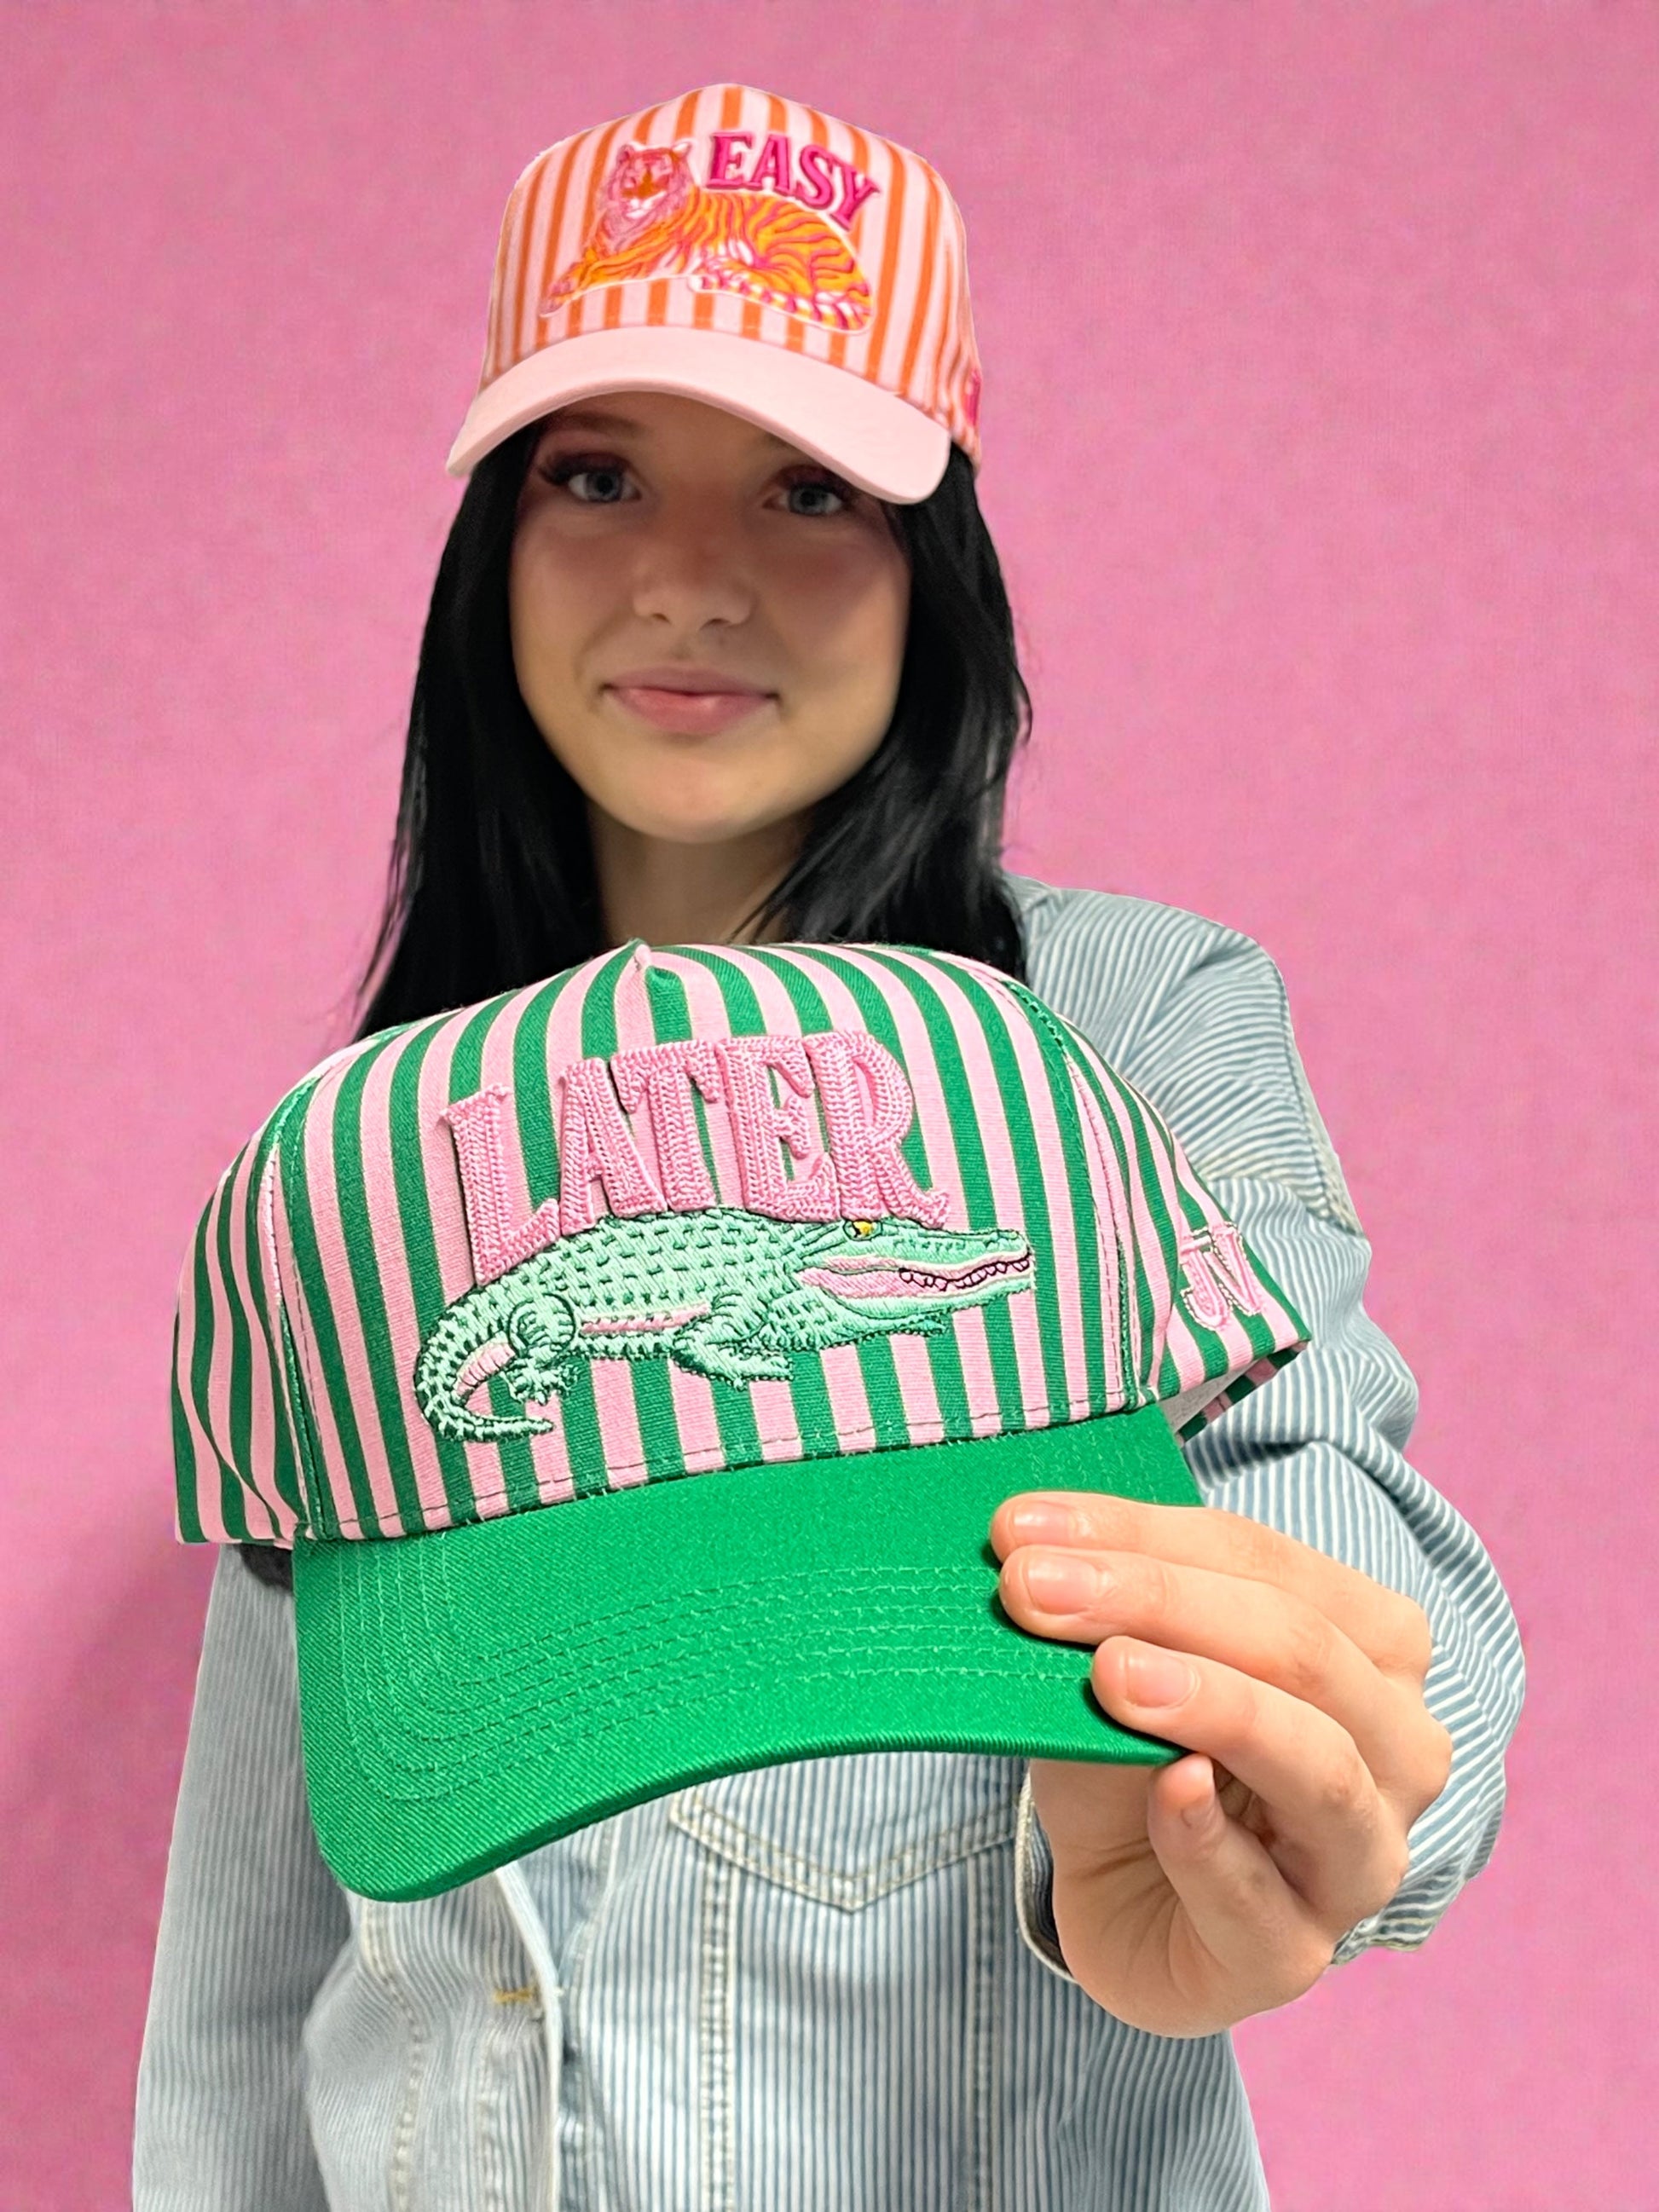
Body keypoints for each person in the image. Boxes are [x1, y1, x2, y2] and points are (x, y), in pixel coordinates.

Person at [134, 84, 1525, 2211]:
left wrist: (1278, 1775)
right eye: (593, 475)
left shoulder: (1118, 1033)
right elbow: (253, 1968)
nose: (689, 577)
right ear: (488, 550)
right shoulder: (371, 1147)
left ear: (931, 561)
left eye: (806, 488)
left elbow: (1364, 1573)